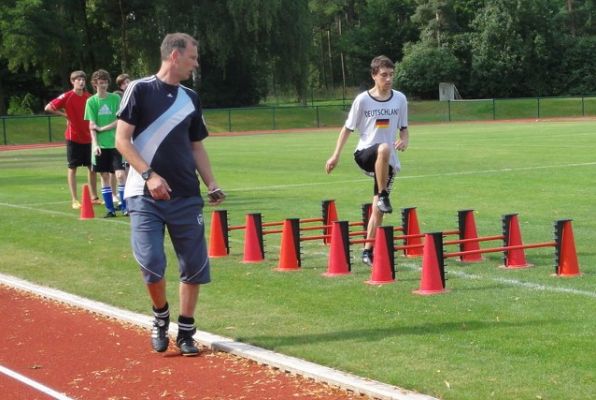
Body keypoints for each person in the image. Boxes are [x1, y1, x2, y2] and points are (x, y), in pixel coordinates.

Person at [116, 32, 225, 356]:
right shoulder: (139, 89)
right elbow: (122, 140)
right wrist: (149, 176)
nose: (196, 64)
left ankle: (187, 330)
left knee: (193, 266)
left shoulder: (190, 97)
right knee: (151, 262)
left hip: (186, 195)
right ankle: (160, 315)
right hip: (143, 195)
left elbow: (196, 146)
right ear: (175, 56)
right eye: (192, 57)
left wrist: (211, 183)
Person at [325, 55, 409, 267]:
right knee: (383, 148)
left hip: (388, 160)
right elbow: (347, 129)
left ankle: (367, 250)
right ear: (374, 75)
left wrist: (405, 140)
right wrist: (335, 155)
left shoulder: (400, 99)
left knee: (378, 210)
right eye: (384, 75)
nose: (388, 79)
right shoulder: (363, 100)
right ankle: (383, 195)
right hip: (364, 153)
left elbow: (404, 128)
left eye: (391, 75)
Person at [45, 71, 101, 209]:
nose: (81, 82)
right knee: (72, 168)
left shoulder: (89, 97)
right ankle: (75, 200)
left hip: (89, 138)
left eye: (83, 79)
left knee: (92, 167)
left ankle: (94, 197)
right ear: (72, 81)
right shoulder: (67, 96)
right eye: (78, 80)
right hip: (73, 137)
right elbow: (48, 107)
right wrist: (64, 114)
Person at [84, 69, 127, 217]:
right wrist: (95, 144)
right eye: (100, 83)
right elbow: (92, 125)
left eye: (105, 83)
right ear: (95, 84)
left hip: (116, 143)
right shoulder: (91, 102)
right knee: (104, 176)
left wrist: (103, 128)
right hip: (101, 146)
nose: (103, 85)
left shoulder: (115, 99)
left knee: (120, 175)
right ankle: (110, 209)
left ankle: (125, 206)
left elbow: (119, 120)